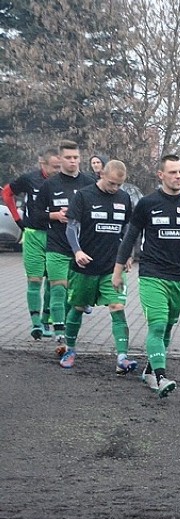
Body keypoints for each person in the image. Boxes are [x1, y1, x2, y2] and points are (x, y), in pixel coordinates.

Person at [112, 154, 180, 398]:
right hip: (152, 274)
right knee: (156, 324)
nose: (178, 176)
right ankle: (161, 376)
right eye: (173, 172)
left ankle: (149, 370)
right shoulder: (147, 203)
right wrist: (117, 270)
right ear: (161, 175)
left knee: (167, 328)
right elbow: (130, 237)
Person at [59, 160, 136, 373]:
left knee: (117, 307)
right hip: (85, 266)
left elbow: (128, 230)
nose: (115, 189)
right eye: (111, 183)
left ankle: (122, 357)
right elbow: (71, 227)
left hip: (112, 268)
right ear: (101, 174)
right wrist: (77, 251)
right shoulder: (83, 196)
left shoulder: (124, 198)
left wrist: (128, 254)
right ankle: (70, 348)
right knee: (78, 308)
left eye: (119, 185)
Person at [35, 140, 98, 346]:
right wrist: (54, 215)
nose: (72, 161)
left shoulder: (89, 183)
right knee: (58, 288)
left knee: (75, 293)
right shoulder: (50, 185)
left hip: (80, 247)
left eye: (76, 158)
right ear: (60, 159)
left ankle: (69, 328)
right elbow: (34, 215)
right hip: (56, 245)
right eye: (68, 158)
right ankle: (59, 330)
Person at [1, 147, 61, 339]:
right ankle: (35, 324)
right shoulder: (29, 179)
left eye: (60, 167)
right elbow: (7, 193)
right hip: (34, 235)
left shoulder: (63, 182)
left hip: (56, 236)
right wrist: (17, 219)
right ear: (42, 163)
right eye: (54, 167)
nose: (57, 170)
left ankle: (46, 321)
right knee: (34, 280)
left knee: (54, 282)